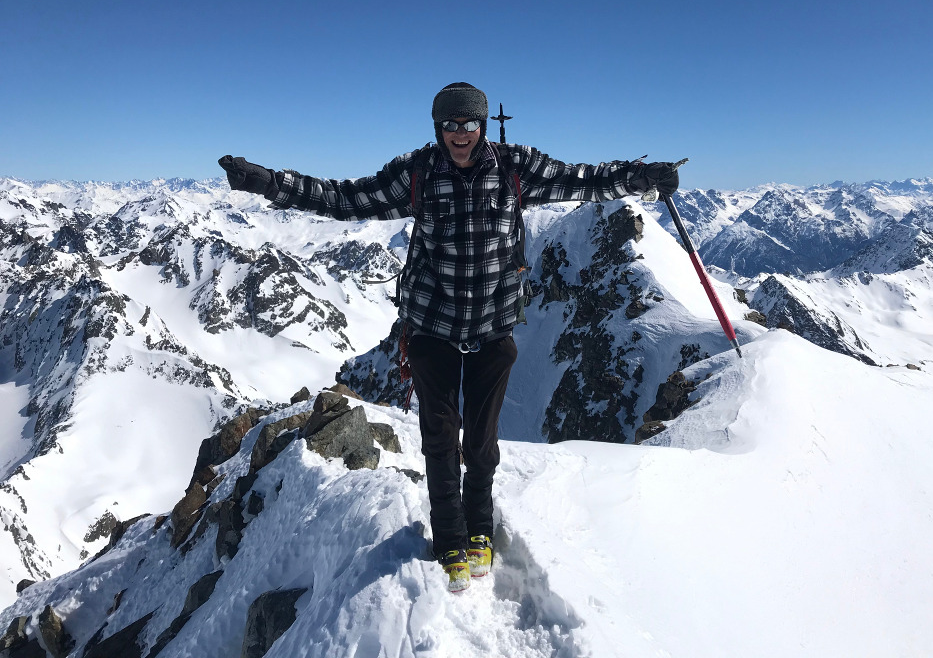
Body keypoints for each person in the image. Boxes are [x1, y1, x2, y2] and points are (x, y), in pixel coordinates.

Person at [219, 82, 679, 593]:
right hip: (431, 329)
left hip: (492, 328)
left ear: (482, 126)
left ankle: (480, 527)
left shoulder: (514, 168)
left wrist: (640, 177)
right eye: (450, 125)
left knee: (481, 442)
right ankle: (450, 538)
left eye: (469, 125)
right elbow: (346, 199)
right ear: (437, 127)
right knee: (440, 439)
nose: (460, 135)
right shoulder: (417, 172)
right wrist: (271, 185)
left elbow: (582, 180)